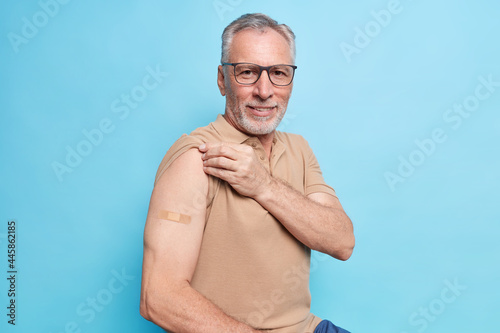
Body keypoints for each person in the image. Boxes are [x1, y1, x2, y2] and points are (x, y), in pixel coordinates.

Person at [140, 13, 355, 333]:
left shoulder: (299, 149)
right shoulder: (196, 158)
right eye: (248, 73)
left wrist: (263, 185)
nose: (264, 90)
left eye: (279, 73)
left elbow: (342, 242)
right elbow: (158, 297)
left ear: (291, 81)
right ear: (221, 79)